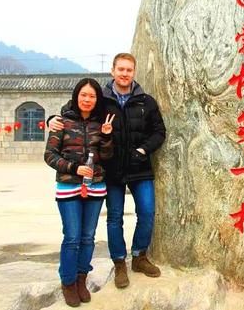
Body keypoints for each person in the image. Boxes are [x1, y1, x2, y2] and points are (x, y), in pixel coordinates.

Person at [48, 53, 166, 289]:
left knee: (147, 212)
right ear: (113, 71)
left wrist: (143, 150)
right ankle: (119, 262)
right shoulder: (101, 100)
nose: (124, 73)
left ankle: (139, 255)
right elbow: (74, 110)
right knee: (114, 218)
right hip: (111, 170)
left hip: (140, 167)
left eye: (129, 70)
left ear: (134, 72)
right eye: (120, 69)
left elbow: (159, 131)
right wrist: (52, 118)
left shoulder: (146, 101)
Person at [44, 78, 114, 307]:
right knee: (72, 237)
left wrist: (106, 136)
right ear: (76, 96)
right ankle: (68, 282)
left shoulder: (100, 123)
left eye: (92, 96)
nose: (87, 99)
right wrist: (74, 168)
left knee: (88, 237)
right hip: (68, 187)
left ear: (97, 99)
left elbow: (107, 156)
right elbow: (50, 155)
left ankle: (82, 278)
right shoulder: (61, 122)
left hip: (95, 187)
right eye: (83, 95)